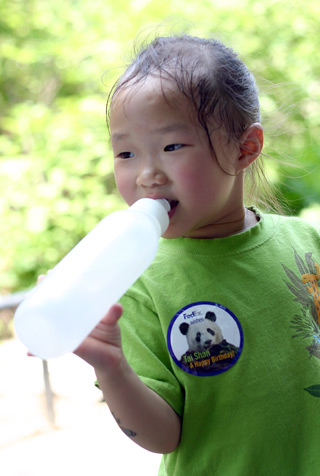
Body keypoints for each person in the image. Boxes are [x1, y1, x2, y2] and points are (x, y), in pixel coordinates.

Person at [74, 35, 320, 475]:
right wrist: (111, 368)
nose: (147, 174)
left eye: (171, 147)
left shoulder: (304, 241)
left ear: (246, 147)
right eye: (125, 153)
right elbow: (162, 436)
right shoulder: (134, 280)